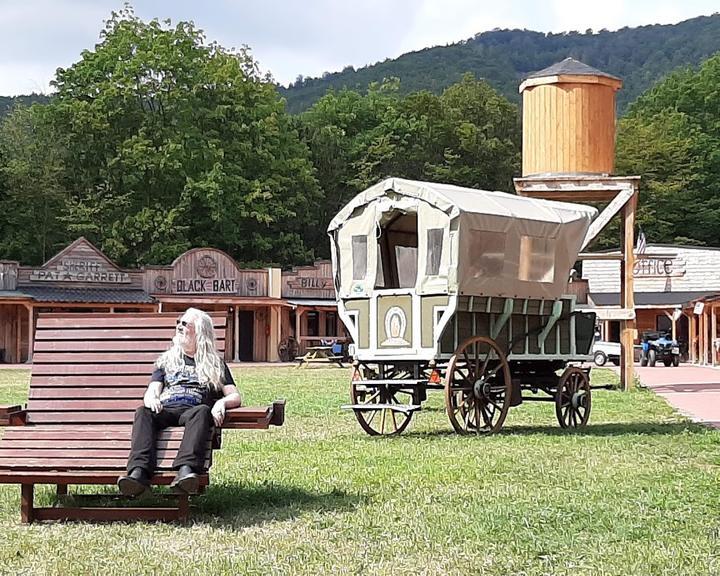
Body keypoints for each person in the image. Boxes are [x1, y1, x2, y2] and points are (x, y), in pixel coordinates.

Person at [117, 307, 241, 496]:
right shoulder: (166, 361)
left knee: (202, 411)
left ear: (199, 331)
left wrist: (220, 403)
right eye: (178, 322)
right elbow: (152, 390)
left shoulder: (215, 364)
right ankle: (138, 473)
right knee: (143, 412)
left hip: (192, 410)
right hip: (165, 408)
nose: (179, 327)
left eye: (185, 323)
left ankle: (186, 472)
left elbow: (235, 396)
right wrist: (151, 400)